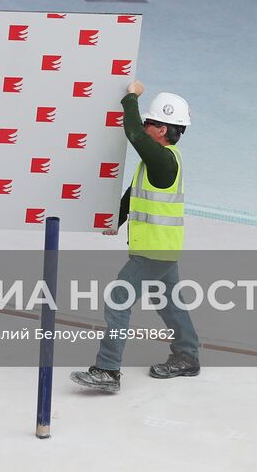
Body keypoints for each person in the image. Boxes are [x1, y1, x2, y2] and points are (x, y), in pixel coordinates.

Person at [70, 80, 200, 393]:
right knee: (170, 303)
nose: (145, 126)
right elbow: (133, 194)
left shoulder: (164, 160)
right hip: (162, 249)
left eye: (151, 123)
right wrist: (117, 218)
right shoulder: (157, 162)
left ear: (164, 130)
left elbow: (132, 134)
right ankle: (187, 355)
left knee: (118, 300)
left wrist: (131, 98)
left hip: (153, 251)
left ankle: (108, 370)